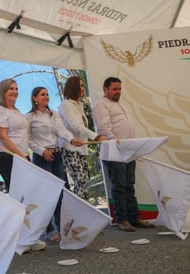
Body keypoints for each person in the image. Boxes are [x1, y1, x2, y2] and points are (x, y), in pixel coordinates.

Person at [92, 76, 155, 232]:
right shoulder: (101, 106)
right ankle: (121, 220)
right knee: (119, 186)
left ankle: (134, 218)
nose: (118, 92)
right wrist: (119, 147)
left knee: (129, 186)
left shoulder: (121, 106)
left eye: (119, 89)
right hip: (115, 152)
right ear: (105, 90)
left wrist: (132, 148)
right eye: (114, 89)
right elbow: (104, 130)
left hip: (128, 151)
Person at [0, 78, 46, 251]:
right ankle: (16, 240)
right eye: (10, 89)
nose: (14, 91)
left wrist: (25, 155)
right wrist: (20, 155)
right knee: (18, 199)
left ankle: (28, 237)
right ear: (3, 92)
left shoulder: (17, 111)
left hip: (21, 157)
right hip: (8, 157)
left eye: (16, 88)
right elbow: (4, 138)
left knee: (27, 198)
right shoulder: (0, 111)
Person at [26, 86, 83, 242]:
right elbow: (29, 141)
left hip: (57, 155)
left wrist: (71, 139)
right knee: (46, 195)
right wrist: (42, 151)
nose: (46, 97)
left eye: (47, 94)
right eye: (42, 94)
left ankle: (63, 228)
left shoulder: (54, 115)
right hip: (42, 157)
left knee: (62, 192)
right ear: (34, 98)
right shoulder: (29, 117)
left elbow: (61, 131)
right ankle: (49, 230)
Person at [58, 76, 106, 200]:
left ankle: (83, 208)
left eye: (83, 85)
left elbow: (82, 126)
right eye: (80, 85)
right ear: (73, 87)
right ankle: (76, 211)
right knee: (80, 179)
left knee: (84, 180)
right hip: (70, 148)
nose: (83, 88)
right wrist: (96, 136)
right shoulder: (66, 105)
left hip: (81, 148)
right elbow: (76, 126)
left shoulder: (79, 104)